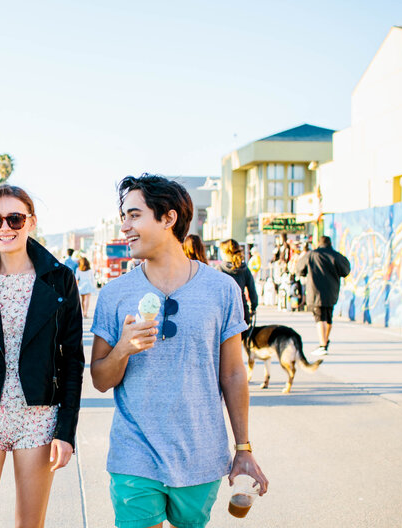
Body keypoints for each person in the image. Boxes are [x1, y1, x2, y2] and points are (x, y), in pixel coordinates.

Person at [90, 174, 267, 528]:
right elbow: (99, 379)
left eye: (134, 215)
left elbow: (233, 374)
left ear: (168, 218)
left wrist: (243, 448)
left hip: (201, 455)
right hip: (133, 455)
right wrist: (123, 349)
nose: (125, 227)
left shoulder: (222, 289)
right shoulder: (114, 294)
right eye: (124, 217)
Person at [0, 184, 84, 528]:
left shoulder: (58, 279)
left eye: (14, 218)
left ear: (31, 222)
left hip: (37, 417)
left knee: (30, 524)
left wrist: (66, 431)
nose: (5, 228)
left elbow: (72, 360)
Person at [295, 235, 351, 356]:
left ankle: (322, 345)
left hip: (316, 291)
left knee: (320, 318)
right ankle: (325, 342)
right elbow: (346, 270)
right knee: (328, 317)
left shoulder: (311, 255)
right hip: (332, 291)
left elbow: (299, 269)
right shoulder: (336, 255)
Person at [217, 239, 259, 329]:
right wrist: (253, 307)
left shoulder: (219, 270)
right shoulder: (244, 269)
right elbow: (252, 290)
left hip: (224, 313)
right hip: (242, 311)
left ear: (225, 253)